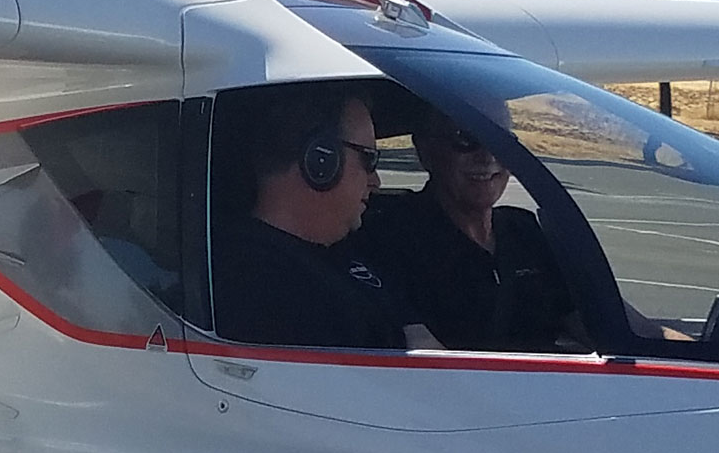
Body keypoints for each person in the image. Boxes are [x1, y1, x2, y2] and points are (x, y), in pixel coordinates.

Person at [213, 91, 440, 350]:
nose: (376, 181)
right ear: (320, 160)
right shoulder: (261, 287)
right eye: (368, 159)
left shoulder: (338, 252)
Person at [354, 110, 577, 352]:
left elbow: (589, 320)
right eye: (465, 139)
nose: (488, 156)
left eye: (500, 141)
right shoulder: (391, 235)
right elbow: (420, 349)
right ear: (425, 150)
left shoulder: (523, 230)